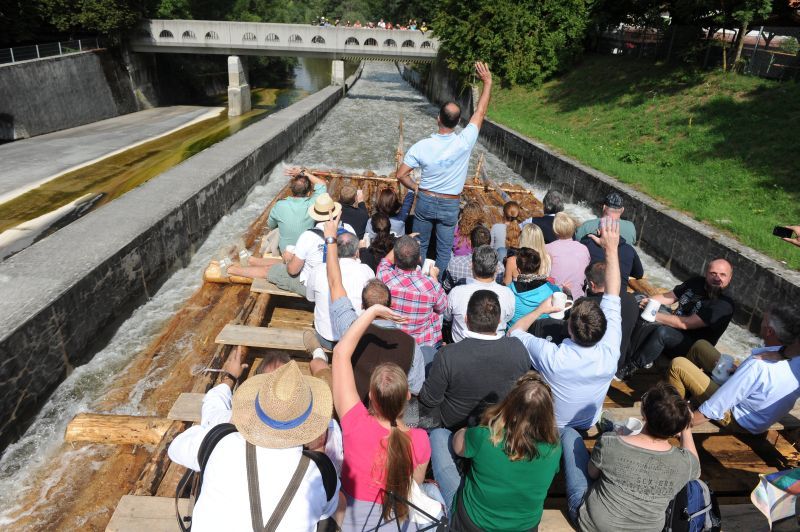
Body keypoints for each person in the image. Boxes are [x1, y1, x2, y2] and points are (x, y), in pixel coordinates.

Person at [168, 348, 340, 531]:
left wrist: (230, 380)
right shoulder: (321, 472)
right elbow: (326, 512)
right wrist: (319, 451)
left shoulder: (221, 442)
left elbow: (175, 448)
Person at [332, 305, 443, 530]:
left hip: (351, 521)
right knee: (432, 492)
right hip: (396, 519)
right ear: (407, 396)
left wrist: (371, 312)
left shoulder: (354, 422)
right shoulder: (420, 439)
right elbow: (414, 486)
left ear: (371, 397)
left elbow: (340, 353)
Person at [508, 217, 622, 430]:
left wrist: (540, 310)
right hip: (589, 422)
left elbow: (514, 332)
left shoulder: (553, 356)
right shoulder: (610, 352)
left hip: (552, 425)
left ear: (570, 327)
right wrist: (612, 249)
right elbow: (613, 293)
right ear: (602, 329)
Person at [429, 372, 562, 530]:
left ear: (511, 405)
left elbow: (458, 447)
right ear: (548, 414)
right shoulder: (554, 448)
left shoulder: (486, 435)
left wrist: (467, 429)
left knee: (439, 435)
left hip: (472, 523)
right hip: (525, 527)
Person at [395, 62, 493, 275]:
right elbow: (481, 111)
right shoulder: (464, 141)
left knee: (419, 245)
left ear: (438, 118)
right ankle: (438, 284)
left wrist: (416, 187)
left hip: (426, 200)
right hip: (450, 203)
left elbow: (401, 175)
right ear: (458, 123)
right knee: (443, 250)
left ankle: (417, 279)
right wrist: (488, 82)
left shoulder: (421, 146)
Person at [562, 383, 699, 531]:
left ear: (643, 413)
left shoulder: (609, 443)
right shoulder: (685, 463)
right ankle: (611, 428)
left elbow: (592, 473)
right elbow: (695, 467)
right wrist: (686, 428)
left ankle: (611, 429)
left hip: (592, 524)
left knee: (570, 434)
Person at [323, 215, 425, 397]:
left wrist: (330, 239)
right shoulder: (411, 344)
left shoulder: (350, 329)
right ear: (390, 304)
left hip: (354, 404)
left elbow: (334, 282)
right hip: (391, 412)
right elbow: (414, 390)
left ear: (362, 305)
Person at [669, 305, 800, 434]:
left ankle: (673, 415)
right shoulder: (795, 358)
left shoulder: (757, 365)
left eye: (764, 320)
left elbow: (715, 407)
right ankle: (687, 398)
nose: (761, 322)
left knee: (678, 365)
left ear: (769, 331)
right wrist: (740, 372)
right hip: (758, 416)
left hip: (739, 420)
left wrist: (680, 427)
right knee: (700, 346)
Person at [419, 289, 529, 430]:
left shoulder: (448, 354)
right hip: (499, 424)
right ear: (500, 320)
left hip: (453, 426)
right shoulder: (517, 348)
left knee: (426, 353)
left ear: (466, 319)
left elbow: (430, 399)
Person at [228, 193, 355, 296]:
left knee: (272, 270)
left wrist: (290, 259)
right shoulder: (349, 230)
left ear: (315, 215)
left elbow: (293, 271)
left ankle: (231, 269)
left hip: (316, 288)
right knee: (294, 261)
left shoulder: (309, 236)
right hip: (341, 284)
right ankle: (251, 260)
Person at [630, 259, 735, 369]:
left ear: (729, 278)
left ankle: (631, 367)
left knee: (662, 331)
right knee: (637, 298)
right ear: (706, 273)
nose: (717, 278)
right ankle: (627, 349)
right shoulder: (697, 282)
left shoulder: (724, 304)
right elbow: (669, 297)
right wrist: (647, 301)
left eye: (723, 275)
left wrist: (653, 314)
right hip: (675, 326)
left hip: (691, 347)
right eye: (713, 273)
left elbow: (686, 324)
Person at [377, 236, 447, 362]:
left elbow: (385, 261)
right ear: (419, 259)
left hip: (392, 340)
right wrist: (434, 277)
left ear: (396, 258)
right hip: (422, 346)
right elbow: (442, 307)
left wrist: (404, 242)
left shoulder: (384, 276)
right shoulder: (431, 285)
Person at [306, 231, 374, 350]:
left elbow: (310, 298)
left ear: (335, 251)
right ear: (357, 252)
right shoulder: (367, 271)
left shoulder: (318, 270)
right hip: (356, 340)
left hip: (326, 339)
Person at [581, 262, 640, 380]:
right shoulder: (631, 299)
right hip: (620, 361)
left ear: (592, 284)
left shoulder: (588, 306)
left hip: (596, 366)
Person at [445, 246, 514, 341]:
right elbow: (508, 318)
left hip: (459, 347)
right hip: (495, 346)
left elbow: (447, 317)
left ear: (472, 266)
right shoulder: (508, 293)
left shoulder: (456, 292)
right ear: (497, 269)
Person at [266, 168, 328, 253]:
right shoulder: (312, 204)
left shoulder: (279, 205)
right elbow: (322, 185)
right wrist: (302, 173)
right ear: (309, 192)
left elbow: (271, 225)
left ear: (292, 189)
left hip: (286, 251)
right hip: (306, 251)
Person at [506, 248, 561, 327]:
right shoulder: (553, 290)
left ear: (518, 270)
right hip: (542, 334)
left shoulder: (508, 291)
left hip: (515, 335)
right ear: (538, 268)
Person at [442, 225, 504, 292]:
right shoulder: (499, 267)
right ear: (489, 244)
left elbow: (447, 287)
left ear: (470, 243)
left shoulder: (454, 263)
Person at [546, 212, 591, 298]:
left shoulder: (547, 248)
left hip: (554, 299)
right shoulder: (584, 248)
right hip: (579, 299)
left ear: (555, 229)